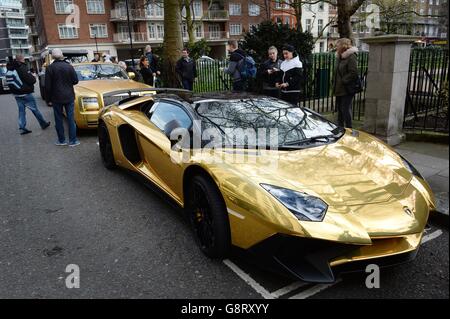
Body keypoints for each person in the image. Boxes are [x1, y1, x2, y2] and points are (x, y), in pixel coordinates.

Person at [6, 55, 50, 135]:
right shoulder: (22, 67)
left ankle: (22, 127)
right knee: (34, 109)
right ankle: (43, 124)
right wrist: (33, 78)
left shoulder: (11, 67)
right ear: (22, 59)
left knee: (21, 111)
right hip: (25, 93)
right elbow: (31, 80)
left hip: (17, 94)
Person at [45, 48, 80, 147]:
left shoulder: (50, 68)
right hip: (69, 96)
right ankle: (73, 140)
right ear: (62, 55)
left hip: (56, 97)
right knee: (70, 118)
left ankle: (61, 140)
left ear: (52, 56)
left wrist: (48, 100)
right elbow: (75, 81)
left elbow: (47, 86)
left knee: (58, 119)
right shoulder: (69, 66)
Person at [333, 38, 359, 129]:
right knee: (340, 110)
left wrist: (343, 81)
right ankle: (340, 129)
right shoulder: (339, 57)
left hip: (346, 89)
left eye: (338, 45)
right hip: (339, 88)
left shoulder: (351, 56)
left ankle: (349, 128)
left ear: (343, 46)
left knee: (345, 110)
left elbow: (353, 72)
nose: (336, 47)